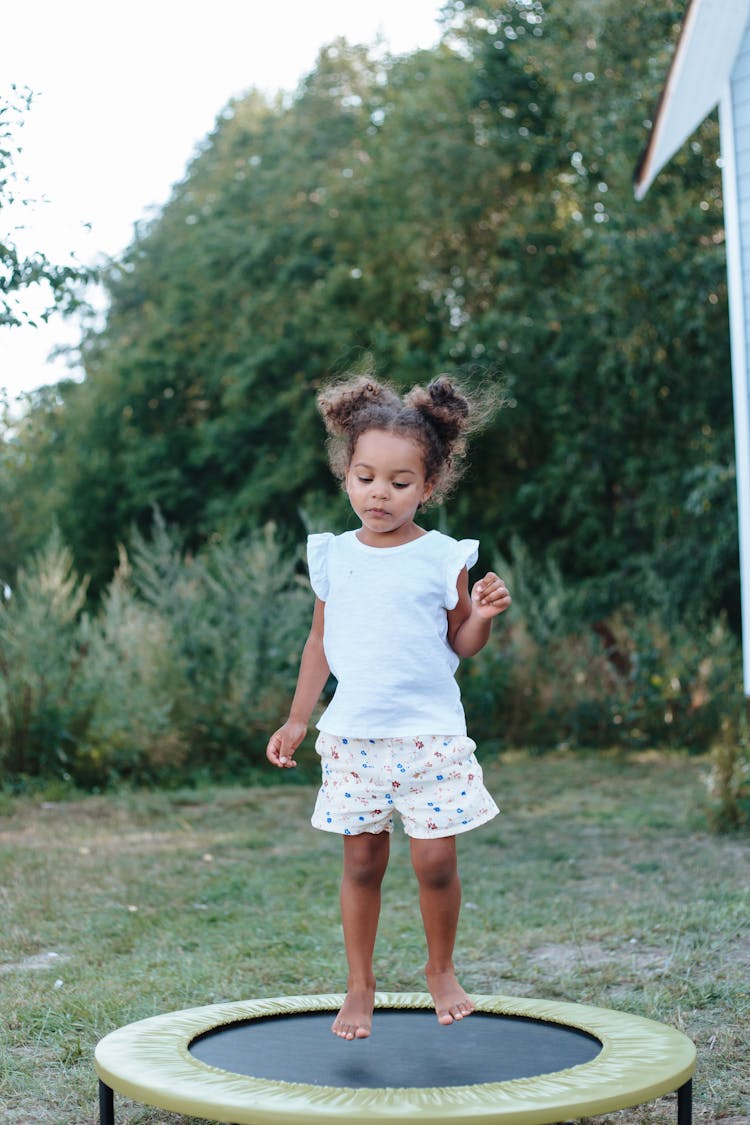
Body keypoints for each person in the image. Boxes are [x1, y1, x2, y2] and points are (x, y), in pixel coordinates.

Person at [266, 374, 511, 1042]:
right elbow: (319, 641)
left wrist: (483, 617)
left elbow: (461, 642)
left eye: (400, 482)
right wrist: (297, 718)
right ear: (347, 474)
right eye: (366, 476)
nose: (380, 492)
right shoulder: (334, 555)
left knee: (435, 862)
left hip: (430, 736)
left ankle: (440, 968)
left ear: (427, 486)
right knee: (362, 862)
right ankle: (360, 983)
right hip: (356, 740)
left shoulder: (442, 557)